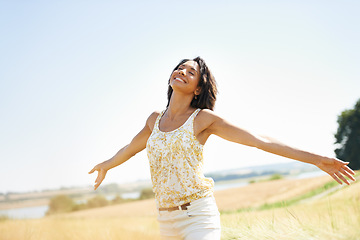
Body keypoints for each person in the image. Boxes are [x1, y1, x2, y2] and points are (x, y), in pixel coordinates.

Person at [89, 56, 356, 240]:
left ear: (197, 89)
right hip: (165, 220)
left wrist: (316, 159)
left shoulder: (203, 119)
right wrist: (106, 165)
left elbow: (259, 140)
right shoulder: (154, 120)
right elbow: (130, 148)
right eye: (180, 68)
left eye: (190, 72)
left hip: (197, 216)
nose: (182, 72)